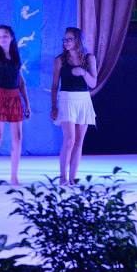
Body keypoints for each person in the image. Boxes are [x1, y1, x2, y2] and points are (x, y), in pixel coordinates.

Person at [0, 25, 31, 185]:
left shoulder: (16, 56)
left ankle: (14, 176)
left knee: (18, 138)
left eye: (5, 35)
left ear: (11, 37)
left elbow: (21, 82)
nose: (2, 38)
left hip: (15, 97)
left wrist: (27, 104)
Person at [51, 27, 97, 184]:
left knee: (78, 141)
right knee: (69, 139)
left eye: (69, 39)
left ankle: (72, 177)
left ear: (78, 40)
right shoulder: (60, 60)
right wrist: (53, 106)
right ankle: (63, 177)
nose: (66, 42)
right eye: (64, 39)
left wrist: (83, 72)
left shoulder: (89, 58)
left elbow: (93, 83)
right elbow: (54, 85)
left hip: (83, 100)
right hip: (66, 99)